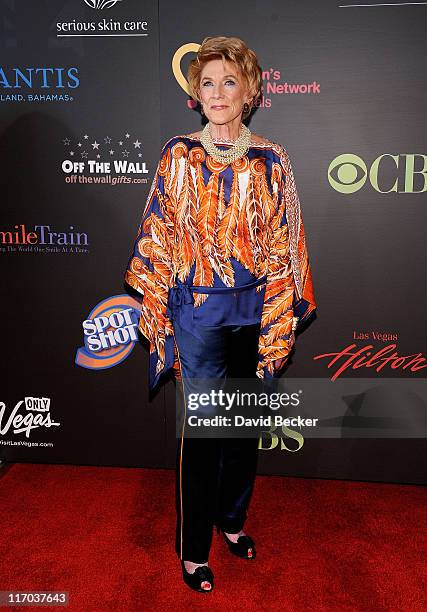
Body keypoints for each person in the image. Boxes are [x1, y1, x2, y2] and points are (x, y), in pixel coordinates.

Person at [124, 35, 317, 593]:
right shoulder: (178, 155)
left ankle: (232, 522)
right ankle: (192, 550)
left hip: (255, 311)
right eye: (206, 82)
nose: (215, 92)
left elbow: (286, 245)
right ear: (194, 93)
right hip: (198, 316)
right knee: (204, 436)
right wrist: (159, 304)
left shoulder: (271, 159)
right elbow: (156, 237)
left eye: (228, 82)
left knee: (243, 433)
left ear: (250, 91)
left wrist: (278, 319)